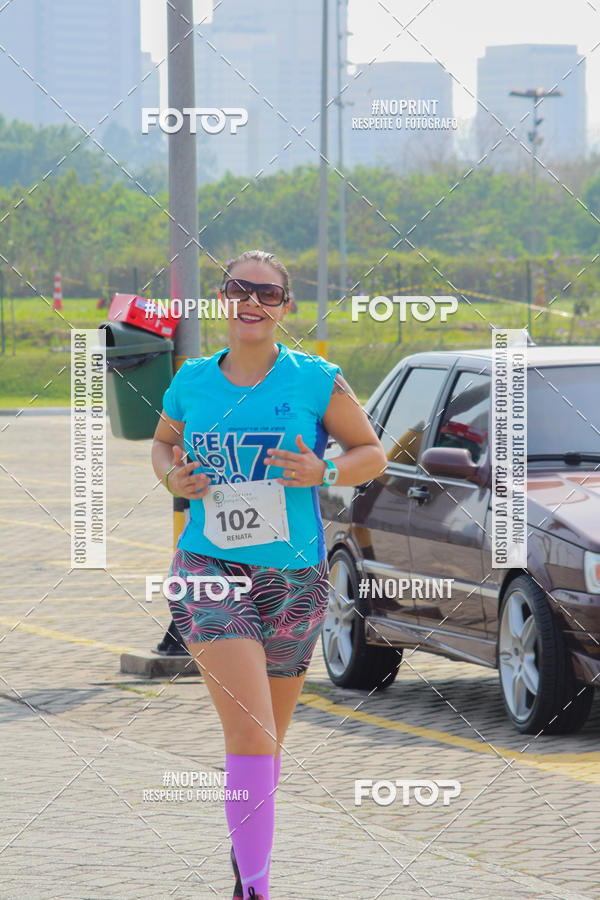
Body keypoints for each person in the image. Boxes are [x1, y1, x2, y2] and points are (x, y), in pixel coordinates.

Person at [151, 250, 387, 900]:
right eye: (238, 289)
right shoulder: (193, 380)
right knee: (251, 731)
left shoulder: (316, 380)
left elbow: (371, 452)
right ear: (223, 299)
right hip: (209, 570)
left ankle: (243, 869)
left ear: (286, 307)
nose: (251, 301)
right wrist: (172, 475)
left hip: (294, 580)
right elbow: (163, 442)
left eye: (267, 292)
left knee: (265, 748)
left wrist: (325, 472)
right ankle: (256, 890)